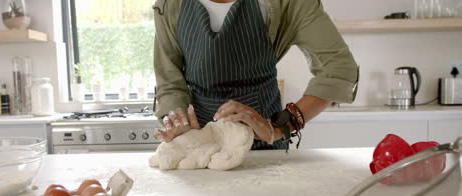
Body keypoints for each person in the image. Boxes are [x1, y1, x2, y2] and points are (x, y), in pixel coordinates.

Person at [153, 0, 358, 150]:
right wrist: (178, 122)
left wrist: (280, 127)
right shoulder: (169, 5)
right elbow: (170, 84)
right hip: (198, 147)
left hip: (265, 149)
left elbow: (339, 69)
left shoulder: (289, 3)